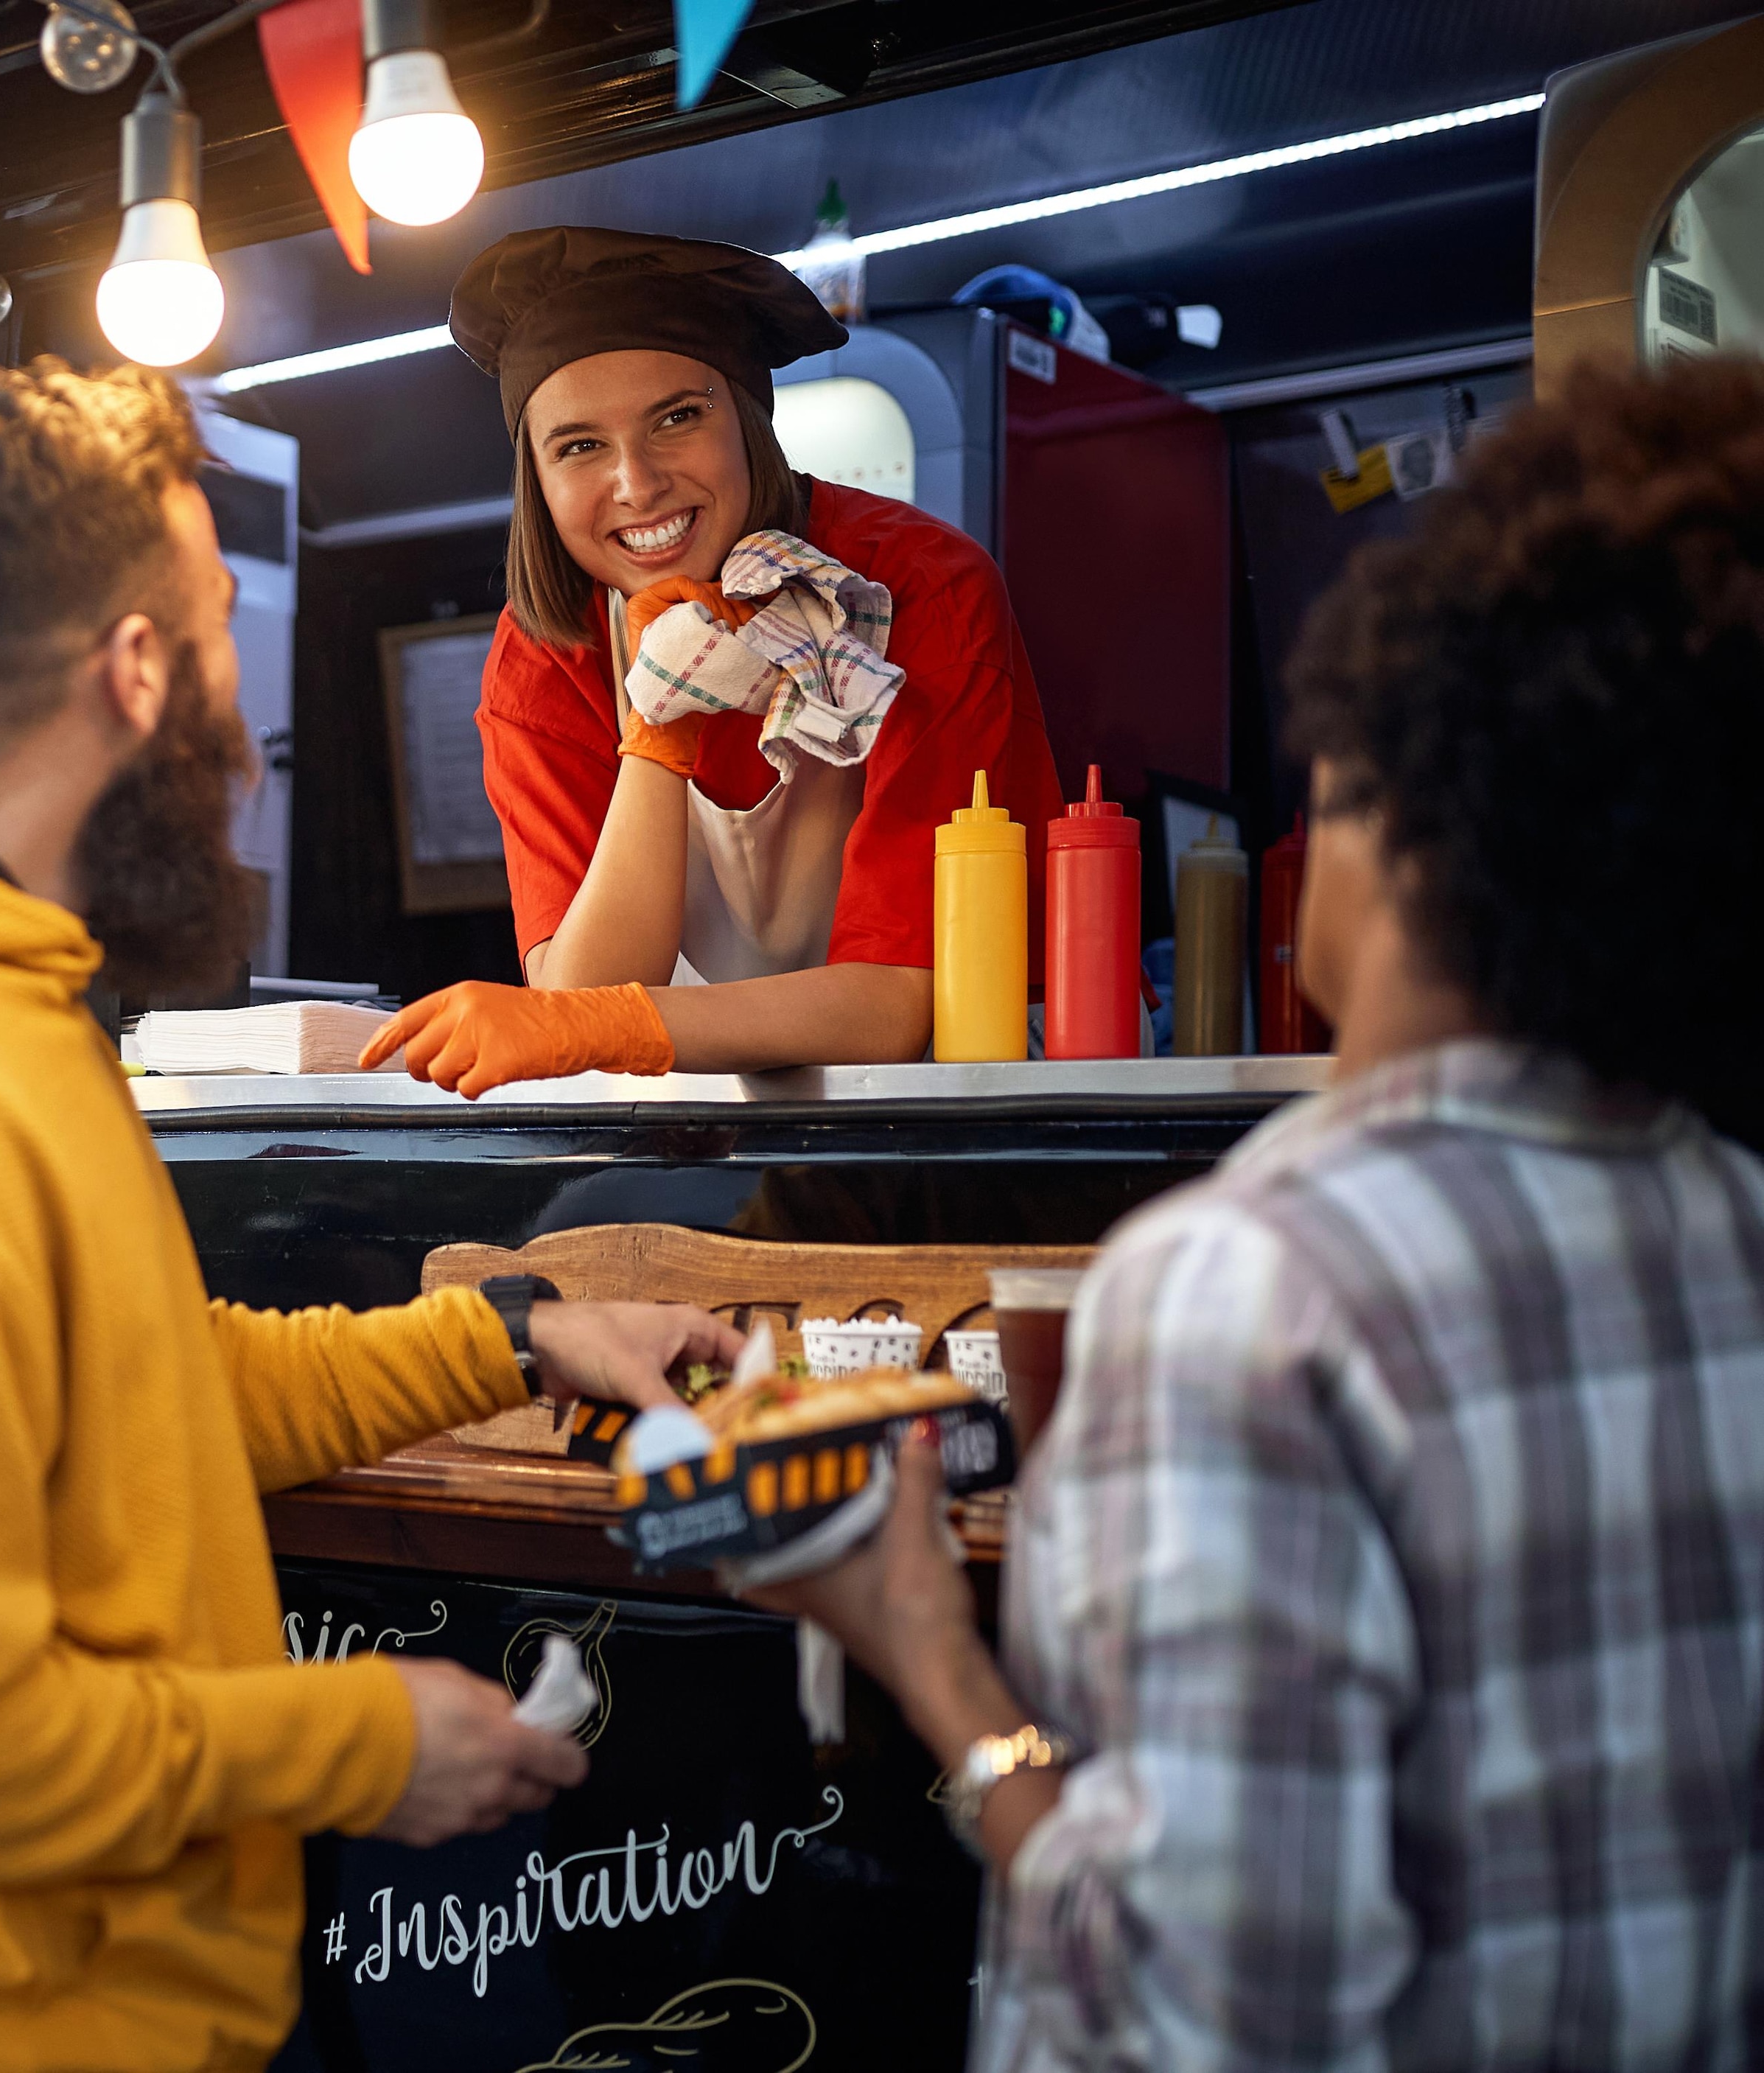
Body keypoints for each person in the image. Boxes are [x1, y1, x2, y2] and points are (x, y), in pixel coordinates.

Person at [0, 360, 743, 2072]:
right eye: (218, 633)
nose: (238, 711)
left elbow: (136, 1393)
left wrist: (511, 1334)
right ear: (136, 672)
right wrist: (350, 1737)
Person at [751, 357, 1764, 2068]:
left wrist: (928, 1654)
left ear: (1409, 815)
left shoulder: (1252, 1291)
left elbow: (1196, 2013)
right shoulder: (1729, 1210)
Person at [362, 228, 1065, 1094]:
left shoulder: (920, 587)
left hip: (963, 1105)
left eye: (676, 417)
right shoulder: (547, 654)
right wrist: (660, 722)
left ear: (746, 420)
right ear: (535, 483)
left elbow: (899, 1004)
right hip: (717, 1110)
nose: (636, 482)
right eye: (578, 446)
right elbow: (575, 1000)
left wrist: (596, 1023)